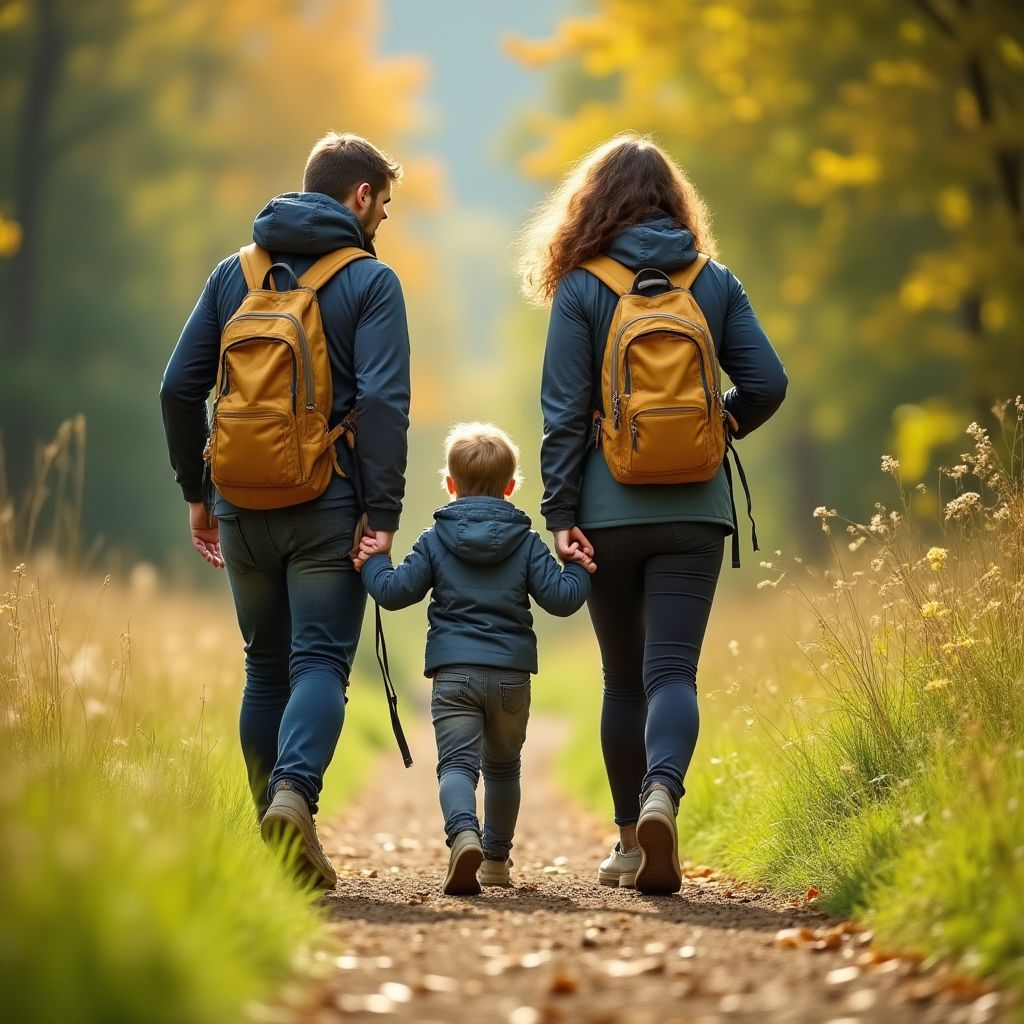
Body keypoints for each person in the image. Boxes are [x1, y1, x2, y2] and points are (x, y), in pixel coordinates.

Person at [519, 134, 788, 895]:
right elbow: (767, 383)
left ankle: (632, 842)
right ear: (675, 201)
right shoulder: (713, 282)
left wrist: (561, 511)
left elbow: (563, 414)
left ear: (590, 208)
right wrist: (717, 425)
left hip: (606, 512)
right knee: (673, 669)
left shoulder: (581, 288)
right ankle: (664, 792)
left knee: (621, 678)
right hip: (696, 510)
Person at [159, 132, 411, 888]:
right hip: (326, 503)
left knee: (263, 667)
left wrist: (196, 494)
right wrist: (383, 510)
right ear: (360, 196)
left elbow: (178, 390)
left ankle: (272, 849)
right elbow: (385, 404)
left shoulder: (234, 273)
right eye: (384, 208)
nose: (382, 224)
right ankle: (294, 799)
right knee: (321, 663)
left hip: (238, 503)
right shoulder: (370, 282)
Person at [354, 423, 593, 895]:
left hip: (453, 675)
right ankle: (495, 860)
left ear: (450, 483)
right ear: (510, 486)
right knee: (504, 769)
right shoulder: (526, 542)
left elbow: (393, 592)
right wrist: (579, 566)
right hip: (510, 679)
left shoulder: (434, 539)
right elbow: (563, 600)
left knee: (457, 768)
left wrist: (374, 559)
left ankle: (463, 833)